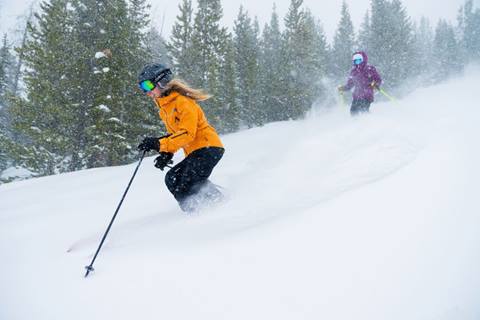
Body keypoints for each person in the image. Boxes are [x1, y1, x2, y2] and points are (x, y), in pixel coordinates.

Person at [137, 63, 225, 212]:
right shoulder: (165, 107)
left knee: (181, 181)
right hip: (197, 151)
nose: (146, 92)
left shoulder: (183, 102)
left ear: (161, 82)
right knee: (177, 180)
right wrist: (167, 153)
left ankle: (201, 213)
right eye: (142, 88)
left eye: (147, 85)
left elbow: (187, 134)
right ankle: (218, 205)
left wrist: (159, 144)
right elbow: (176, 134)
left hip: (208, 147)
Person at [338, 51, 382, 116]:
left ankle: (369, 122)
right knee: (353, 111)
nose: (358, 63)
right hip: (357, 96)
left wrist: (375, 84)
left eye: (359, 60)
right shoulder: (353, 72)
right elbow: (349, 85)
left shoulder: (369, 69)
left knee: (363, 110)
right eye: (356, 61)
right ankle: (356, 124)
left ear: (363, 60)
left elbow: (378, 79)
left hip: (367, 95)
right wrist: (343, 88)